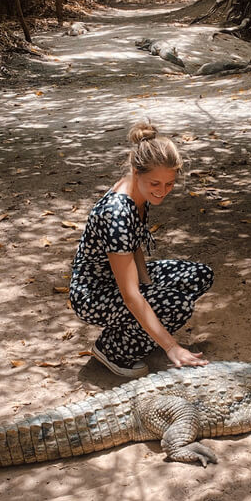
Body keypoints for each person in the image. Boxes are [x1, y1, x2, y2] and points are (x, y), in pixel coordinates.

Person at [69, 122, 213, 378]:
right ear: (137, 171)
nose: (162, 191)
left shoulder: (138, 191)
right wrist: (172, 347)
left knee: (200, 275)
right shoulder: (117, 214)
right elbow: (130, 295)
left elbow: (133, 245)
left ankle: (142, 333)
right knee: (178, 305)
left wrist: (149, 285)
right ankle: (112, 350)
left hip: (121, 276)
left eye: (169, 184)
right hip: (94, 291)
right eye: (155, 183)